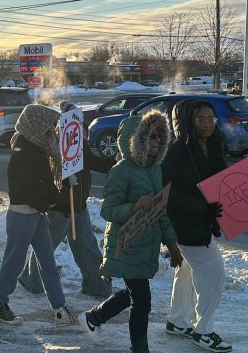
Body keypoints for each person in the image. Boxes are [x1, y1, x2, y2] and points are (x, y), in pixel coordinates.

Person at [78, 110, 183, 352]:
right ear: (136, 140)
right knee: (142, 301)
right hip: (125, 245)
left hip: (145, 245)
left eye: (159, 136)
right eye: (151, 136)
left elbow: (159, 212)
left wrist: (172, 246)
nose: (156, 141)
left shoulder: (154, 169)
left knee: (132, 293)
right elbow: (108, 210)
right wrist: (134, 206)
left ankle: (94, 317)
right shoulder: (121, 170)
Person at [0, 104, 79, 326]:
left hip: (38, 215)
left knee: (48, 263)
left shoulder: (38, 148)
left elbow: (44, 184)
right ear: (36, 126)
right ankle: (0, 304)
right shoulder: (23, 153)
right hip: (22, 216)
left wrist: (63, 184)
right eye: (48, 126)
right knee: (14, 262)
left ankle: (59, 306)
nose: (52, 131)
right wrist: (52, 199)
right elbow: (27, 190)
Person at [18, 102, 112, 298]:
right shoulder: (54, 144)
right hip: (59, 208)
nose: (79, 128)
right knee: (46, 248)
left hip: (79, 207)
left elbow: (96, 163)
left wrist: (114, 163)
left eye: (80, 124)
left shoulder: (81, 145)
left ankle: (96, 286)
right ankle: (31, 280)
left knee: (87, 249)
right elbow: (44, 174)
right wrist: (62, 181)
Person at [161, 99, 233, 352]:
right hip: (183, 223)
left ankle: (178, 321)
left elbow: (224, 180)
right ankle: (203, 331)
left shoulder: (214, 145)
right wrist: (201, 208)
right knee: (214, 272)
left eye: (211, 118)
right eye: (200, 119)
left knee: (187, 270)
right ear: (187, 121)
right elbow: (166, 191)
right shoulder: (177, 150)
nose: (207, 124)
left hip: (202, 221)